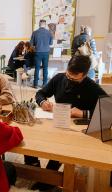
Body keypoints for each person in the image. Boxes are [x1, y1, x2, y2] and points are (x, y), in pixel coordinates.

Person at [26, 55, 107, 191]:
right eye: (68, 75)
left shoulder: (92, 87)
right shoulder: (59, 78)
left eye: (75, 78)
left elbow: (107, 110)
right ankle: (37, 173)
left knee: (60, 151)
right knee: (30, 139)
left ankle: (47, 180)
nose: (70, 79)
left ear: (85, 75)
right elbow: (40, 93)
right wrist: (43, 102)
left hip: (78, 131)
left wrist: (83, 113)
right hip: (58, 122)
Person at [30, 19, 53, 88]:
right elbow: (51, 43)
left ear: (39, 24)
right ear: (45, 25)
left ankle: (35, 84)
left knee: (37, 68)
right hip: (46, 52)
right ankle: (44, 84)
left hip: (38, 52)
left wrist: (36, 47)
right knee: (45, 68)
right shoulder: (49, 33)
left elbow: (31, 44)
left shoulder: (35, 32)